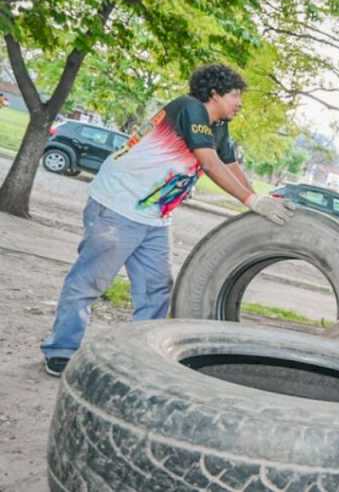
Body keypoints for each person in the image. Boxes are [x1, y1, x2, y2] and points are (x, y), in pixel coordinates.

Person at [40, 64, 295, 377]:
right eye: (234, 95)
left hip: (155, 216)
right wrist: (251, 201)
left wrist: (260, 200)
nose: (239, 103)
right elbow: (210, 163)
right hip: (117, 205)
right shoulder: (188, 109)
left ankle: (136, 358)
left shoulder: (219, 126)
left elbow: (229, 164)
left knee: (156, 291)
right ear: (214, 94)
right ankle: (61, 351)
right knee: (89, 281)